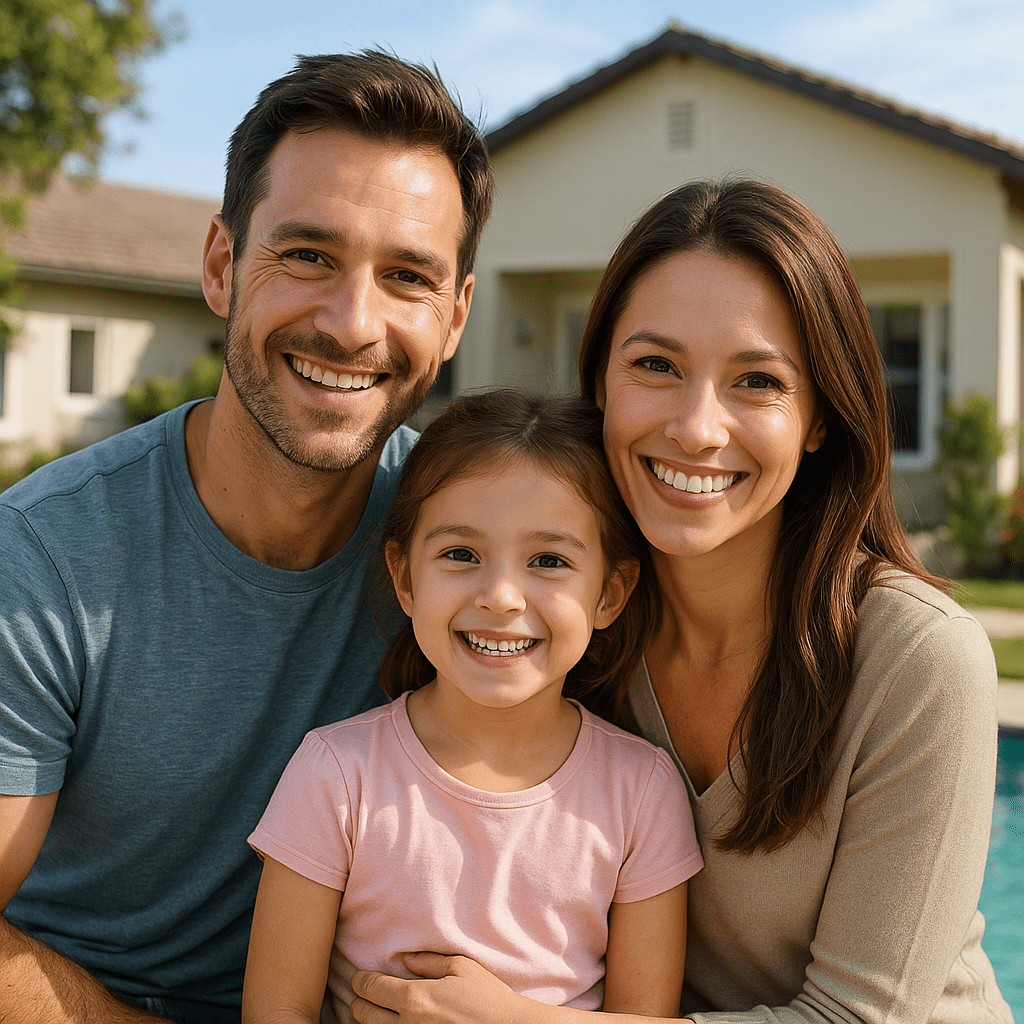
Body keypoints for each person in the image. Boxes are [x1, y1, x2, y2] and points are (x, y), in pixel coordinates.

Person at [346, 180, 1013, 1024]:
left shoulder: (918, 659)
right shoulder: (566, 621)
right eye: (656, 366)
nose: (697, 428)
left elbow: (858, 1020)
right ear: (600, 383)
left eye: (757, 381)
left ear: (819, 418)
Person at [0, 50, 492, 1024]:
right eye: (307, 255)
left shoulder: (476, 547)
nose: (351, 324)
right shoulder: (44, 556)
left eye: (406, 277)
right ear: (222, 266)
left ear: (453, 320)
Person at [243, 391, 703, 1024]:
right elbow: (275, 1011)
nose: (500, 597)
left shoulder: (642, 791)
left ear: (610, 593)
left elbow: (645, 1018)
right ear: (405, 577)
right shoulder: (336, 775)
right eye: (461, 555)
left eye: (549, 561)